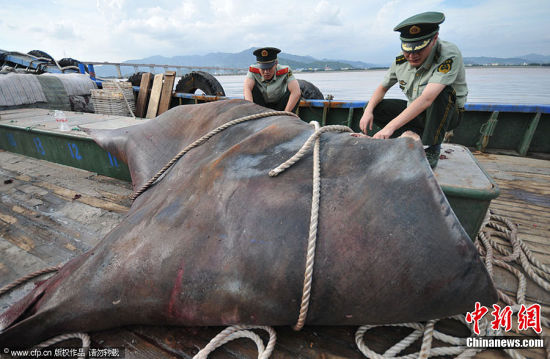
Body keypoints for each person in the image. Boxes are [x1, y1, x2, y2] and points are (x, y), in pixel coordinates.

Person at [358, 11, 467, 168]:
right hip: (417, 113)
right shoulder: (401, 61)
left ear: (434, 39)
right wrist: (368, 111)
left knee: (442, 93)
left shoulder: (448, 54)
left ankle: (431, 148)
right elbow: (382, 88)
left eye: (418, 49)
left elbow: (427, 98)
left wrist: (390, 127)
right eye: (407, 49)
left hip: (447, 114)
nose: (412, 55)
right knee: (375, 108)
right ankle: (409, 138)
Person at [244, 47, 301, 112]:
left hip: (280, 105)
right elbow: (247, 88)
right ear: (258, 65)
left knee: (295, 91)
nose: (266, 72)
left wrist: (286, 113)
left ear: (276, 63)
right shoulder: (252, 70)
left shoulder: (285, 71)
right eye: (263, 69)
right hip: (260, 106)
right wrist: (251, 110)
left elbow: (296, 92)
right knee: (251, 89)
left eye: (269, 68)